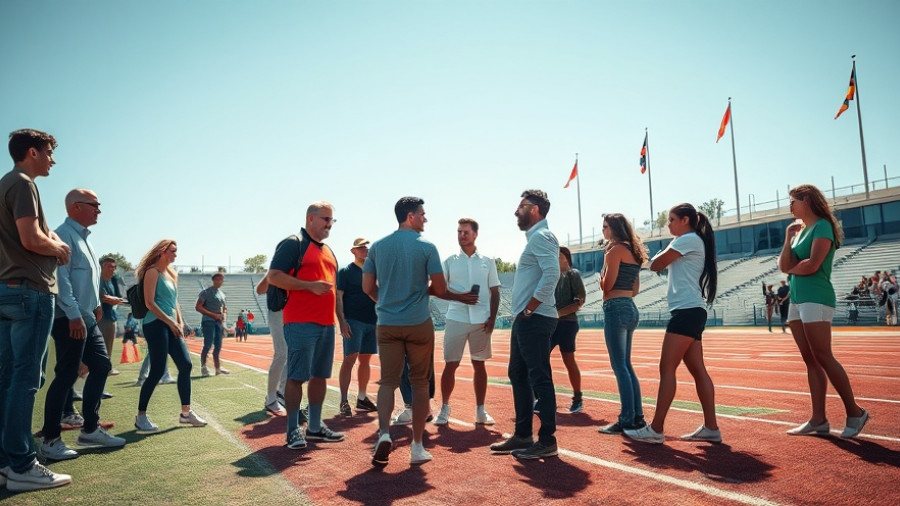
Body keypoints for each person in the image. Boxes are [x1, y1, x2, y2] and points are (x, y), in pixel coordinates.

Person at [363, 196, 464, 466]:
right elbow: (440, 289)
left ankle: (384, 433)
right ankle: (417, 447)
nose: (425, 218)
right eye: (422, 214)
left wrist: (385, 303)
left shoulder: (377, 248)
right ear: (410, 216)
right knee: (419, 383)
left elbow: (367, 288)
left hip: (387, 323)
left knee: (387, 381)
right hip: (418, 322)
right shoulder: (427, 247)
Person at [0, 128, 73, 491]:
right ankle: (22, 464)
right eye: (48, 152)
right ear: (32, 151)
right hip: (31, 292)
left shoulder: (5, 184)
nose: (52, 160)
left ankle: (6, 461)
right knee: (26, 380)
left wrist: (52, 239)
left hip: (8, 291)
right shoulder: (24, 183)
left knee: (9, 379)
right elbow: (31, 238)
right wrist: (58, 251)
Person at [40, 189, 126, 462]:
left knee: (101, 366)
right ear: (76, 207)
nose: (99, 210)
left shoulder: (85, 239)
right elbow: (61, 279)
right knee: (66, 375)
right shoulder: (63, 235)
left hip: (86, 316)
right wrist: (75, 313)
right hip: (70, 318)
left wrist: (96, 304)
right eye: (95, 205)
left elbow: (86, 280)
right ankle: (51, 438)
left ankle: (90, 429)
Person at [625, 203, 721, 445]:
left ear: (685, 220)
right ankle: (711, 427)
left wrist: (659, 252)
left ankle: (656, 428)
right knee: (697, 369)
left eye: (671, 220)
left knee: (666, 368)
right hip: (692, 310)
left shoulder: (687, 239)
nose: (667, 224)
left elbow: (656, 264)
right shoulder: (691, 240)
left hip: (686, 312)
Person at [778, 184, 868, 438]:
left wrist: (793, 267)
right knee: (810, 359)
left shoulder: (823, 227)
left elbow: (813, 265)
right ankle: (818, 419)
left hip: (816, 297)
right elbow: (786, 264)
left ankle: (854, 412)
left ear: (806, 199)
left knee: (823, 355)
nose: (790, 206)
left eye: (793, 201)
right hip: (797, 299)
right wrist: (787, 238)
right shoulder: (800, 232)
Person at [265, 202, 344, 451]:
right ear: (311, 218)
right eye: (325, 219)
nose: (329, 223)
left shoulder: (329, 251)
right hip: (299, 321)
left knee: (320, 376)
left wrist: (341, 319)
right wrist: (309, 285)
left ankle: (315, 427)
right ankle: (292, 431)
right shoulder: (293, 243)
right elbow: (273, 277)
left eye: (332, 219)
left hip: (325, 324)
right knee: (297, 376)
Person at [490, 189, 560, 460]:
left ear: (535, 210)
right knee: (517, 373)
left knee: (539, 376)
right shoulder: (535, 239)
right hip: (526, 318)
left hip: (536, 317)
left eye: (521, 206)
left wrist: (531, 307)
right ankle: (522, 434)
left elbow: (552, 273)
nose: (516, 211)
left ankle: (547, 440)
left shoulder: (542, 236)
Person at [134, 240, 207, 433]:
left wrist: (180, 322)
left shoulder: (171, 274)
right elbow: (150, 303)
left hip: (171, 324)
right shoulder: (152, 272)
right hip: (155, 324)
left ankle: (186, 413)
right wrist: (170, 322)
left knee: (185, 364)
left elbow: (175, 302)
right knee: (157, 370)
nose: (176, 254)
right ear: (162, 252)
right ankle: (140, 416)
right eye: (173, 251)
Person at [433, 218, 500, 426]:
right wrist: (459, 297)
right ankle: (445, 408)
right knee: (450, 364)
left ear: (475, 234)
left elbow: (495, 291)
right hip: (456, 318)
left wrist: (492, 318)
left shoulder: (488, 261)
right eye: (459, 232)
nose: (461, 235)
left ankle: (480, 410)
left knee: (479, 364)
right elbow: (437, 290)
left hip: (481, 320)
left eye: (465, 232)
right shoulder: (450, 261)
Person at [597, 213, 647, 434]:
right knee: (626, 365)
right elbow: (635, 289)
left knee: (620, 366)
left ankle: (626, 418)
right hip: (629, 306)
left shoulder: (614, 251)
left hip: (615, 308)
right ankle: (637, 416)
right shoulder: (633, 252)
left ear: (614, 229)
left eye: (605, 227)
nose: (603, 231)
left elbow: (606, 286)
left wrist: (603, 272)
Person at [336, 238, 379, 417]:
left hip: (372, 321)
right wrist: (342, 321)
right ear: (353, 251)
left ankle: (361, 398)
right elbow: (338, 297)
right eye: (360, 248)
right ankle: (344, 400)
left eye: (366, 248)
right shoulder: (345, 272)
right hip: (353, 321)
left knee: (365, 360)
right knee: (350, 358)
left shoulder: (373, 272)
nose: (364, 250)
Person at [547, 246, 585, 413]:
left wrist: (557, 314)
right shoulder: (551, 276)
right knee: (540, 359)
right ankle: (545, 397)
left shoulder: (573, 275)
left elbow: (579, 301)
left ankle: (577, 398)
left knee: (569, 360)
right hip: (550, 324)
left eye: (558, 255)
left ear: (566, 258)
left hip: (567, 324)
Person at [98, 256, 127, 376]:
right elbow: (104, 297)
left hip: (110, 317)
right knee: (99, 347)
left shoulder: (111, 281)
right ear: (102, 267)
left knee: (109, 345)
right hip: (99, 318)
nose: (112, 269)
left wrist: (122, 300)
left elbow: (115, 298)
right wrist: (119, 300)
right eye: (109, 266)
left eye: (114, 267)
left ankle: (106, 368)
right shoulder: (98, 280)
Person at [196, 273, 228, 376]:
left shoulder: (222, 294)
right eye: (218, 279)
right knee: (208, 344)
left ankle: (218, 368)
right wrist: (213, 314)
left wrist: (224, 317)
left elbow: (225, 308)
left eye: (221, 280)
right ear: (213, 280)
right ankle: (203, 367)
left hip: (218, 322)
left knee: (218, 346)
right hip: (208, 321)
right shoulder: (206, 292)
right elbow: (198, 307)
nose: (220, 281)